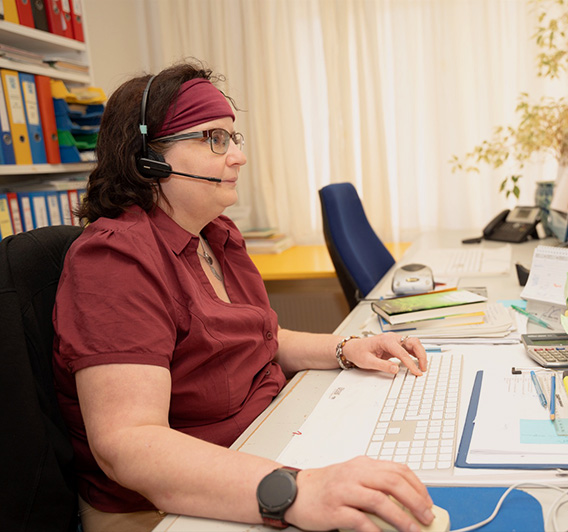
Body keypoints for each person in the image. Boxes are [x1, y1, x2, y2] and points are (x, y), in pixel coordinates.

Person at [52, 60, 434, 532]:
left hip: (265, 448)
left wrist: (346, 348)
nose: (237, 156)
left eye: (234, 139)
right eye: (214, 138)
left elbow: (263, 337)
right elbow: (128, 444)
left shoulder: (217, 234)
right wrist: (296, 490)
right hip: (169, 508)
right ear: (148, 158)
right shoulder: (114, 262)